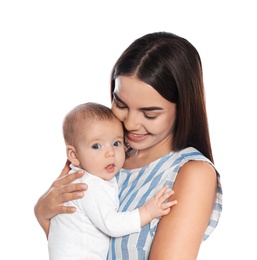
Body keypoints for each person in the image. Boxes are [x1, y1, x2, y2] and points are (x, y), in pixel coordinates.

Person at [34, 31, 223, 259]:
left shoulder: (192, 174)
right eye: (120, 104)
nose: (131, 123)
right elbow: (76, 245)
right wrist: (43, 214)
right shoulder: (106, 156)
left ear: (183, 108)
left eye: (149, 114)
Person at [48, 102, 177, 260]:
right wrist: (147, 212)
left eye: (116, 143)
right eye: (96, 146)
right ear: (74, 155)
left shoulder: (95, 178)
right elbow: (111, 224)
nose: (110, 153)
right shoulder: (87, 186)